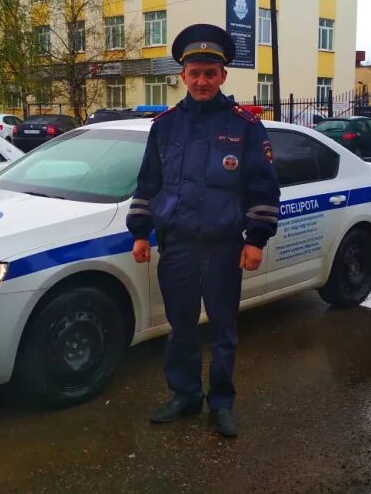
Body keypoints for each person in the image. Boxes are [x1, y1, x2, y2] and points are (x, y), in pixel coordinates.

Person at [126, 24, 280, 437]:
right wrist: (140, 233)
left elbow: (262, 188)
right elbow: (148, 184)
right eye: (194, 72)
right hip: (176, 246)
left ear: (223, 76)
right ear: (183, 75)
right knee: (180, 328)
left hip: (224, 247)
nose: (201, 81)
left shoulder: (245, 127)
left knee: (224, 330)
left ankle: (222, 403)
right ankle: (185, 396)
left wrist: (255, 240)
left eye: (210, 73)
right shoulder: (165, 126)